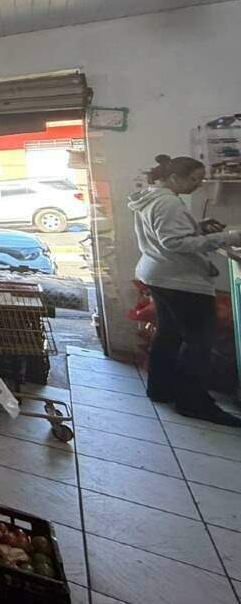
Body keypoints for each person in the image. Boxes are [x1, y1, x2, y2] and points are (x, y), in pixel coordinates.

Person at [128, 155, 241, 425]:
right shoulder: (167, 202)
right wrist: (228, 237)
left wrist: (198, 229)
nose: (198, 184)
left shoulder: (153, 197)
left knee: (169, 335)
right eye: (194, 179)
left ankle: (161, 388)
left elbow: (166, 235)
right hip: (179, 280)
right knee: (198, 343)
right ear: (174, 177)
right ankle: (193, 403)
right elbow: (174, 242)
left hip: (160, 273)